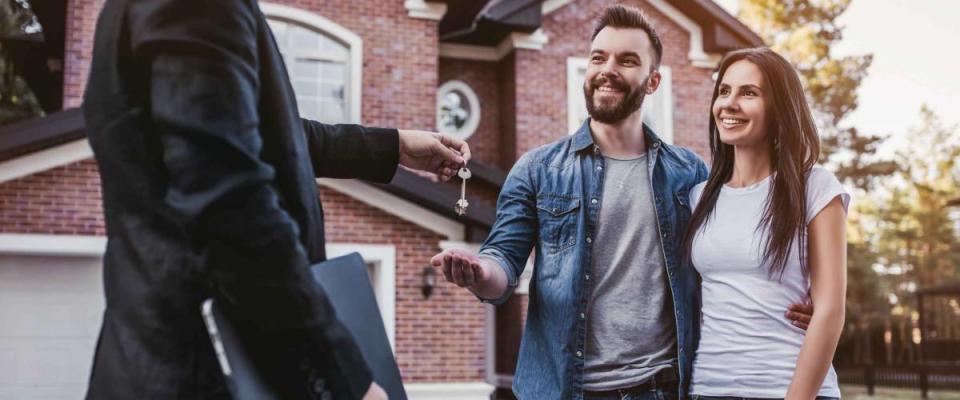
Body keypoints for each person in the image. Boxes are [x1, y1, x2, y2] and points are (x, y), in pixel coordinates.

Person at [82, 0, 469, 398]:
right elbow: (231, 209)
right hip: (203, 371)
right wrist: (342, 379)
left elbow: (260, 131)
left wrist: (393, 146)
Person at [430, 5, 811, 400]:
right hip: (565, 390)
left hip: (661, 388)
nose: (608, 69)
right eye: (599, 57)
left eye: (627, 60)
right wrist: (479, 271)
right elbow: (503, 263)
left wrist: (803, 292)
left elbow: (734, 253)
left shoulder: (689, 173)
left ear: (652, 81)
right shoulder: (538, 169)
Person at [684, 47, 848, 400]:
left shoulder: (815, 188)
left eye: (749, 93)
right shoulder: (699, 197)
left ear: (779, 108)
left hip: (789, 388)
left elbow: (831, 310)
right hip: (709, 389)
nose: (729, 104)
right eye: (724, 91)